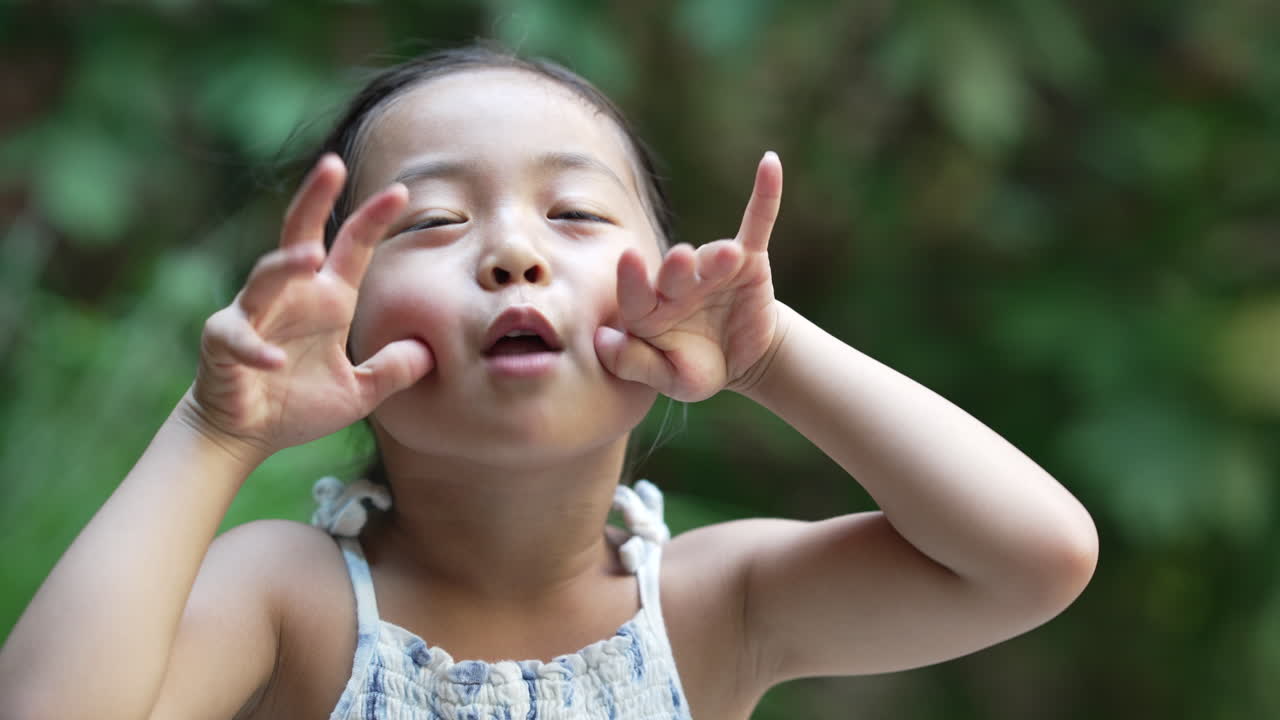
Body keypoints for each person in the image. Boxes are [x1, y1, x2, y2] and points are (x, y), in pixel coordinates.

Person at [0, 45, 1098, 720]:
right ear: (343, 317)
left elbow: (1031, 559)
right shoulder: (288, 601)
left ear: (666, 297)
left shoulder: (716, 606)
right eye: (432, 222)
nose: (513, 252)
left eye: (572, 214)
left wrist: (773, 358)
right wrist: (213, 433)